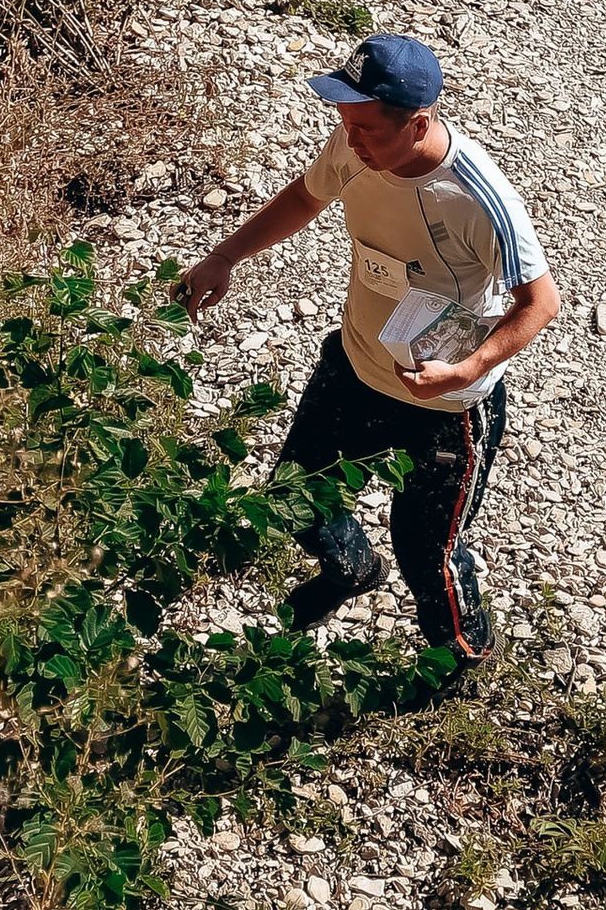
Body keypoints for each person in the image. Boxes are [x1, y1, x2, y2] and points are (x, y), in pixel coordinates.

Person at [177, 33, 561, 673]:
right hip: (356, 364)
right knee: (295, 493)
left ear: (418, 123)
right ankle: (352, 569)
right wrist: (225, 256)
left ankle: (463, 665)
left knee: (426, 551)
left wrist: (467, 369)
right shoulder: (356, 145)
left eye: (366, 129)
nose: (350, 139)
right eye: (344, 122)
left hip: (444, 403)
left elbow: (540, 303)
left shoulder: (478, 199)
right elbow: (305, 197)